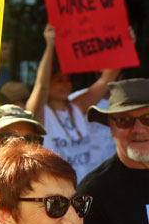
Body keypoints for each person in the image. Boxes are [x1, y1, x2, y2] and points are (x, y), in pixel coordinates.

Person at [75, 78, 149, 224]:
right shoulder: (93, 194)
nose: (138, 129)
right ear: (111, 126)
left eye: (147, 118)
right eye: (125, 120)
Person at [26, 24, 120, 181]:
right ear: (49, 84)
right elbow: (41, 86)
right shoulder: (40, 113)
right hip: (58, 191)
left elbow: (106, 80)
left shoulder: (76, 106)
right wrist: (50, 46)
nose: (66, 85)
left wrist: (123, 42)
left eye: (68, 80)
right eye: (58, 80)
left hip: (87, 190)